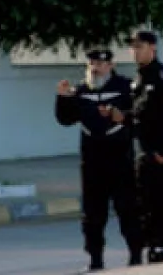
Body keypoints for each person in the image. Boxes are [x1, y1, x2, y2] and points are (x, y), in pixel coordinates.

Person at [55, 49, 142, 272]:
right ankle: (95, 260)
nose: (96, 67)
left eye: (102, 63)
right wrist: (63, 98)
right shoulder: (81, 90)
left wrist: (121, 116)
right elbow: (66, 119)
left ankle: (135, 256)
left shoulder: (125, 87)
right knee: (93, 214)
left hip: (120, 157)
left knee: (127, 208)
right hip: (92, 160)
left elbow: (140, 116)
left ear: (111, 65)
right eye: (93, 63)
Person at [105, 31, 163, 265]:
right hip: (140, 150)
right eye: (133, 47)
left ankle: (161, 247)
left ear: (152, 48)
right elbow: (138, 115)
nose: (135, 51)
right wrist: (120, 117)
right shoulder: (138, 80)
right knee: (142, 202)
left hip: (159, 151)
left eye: (140, 46)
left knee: (159, 202)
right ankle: (148, 247)